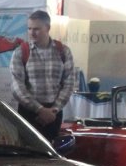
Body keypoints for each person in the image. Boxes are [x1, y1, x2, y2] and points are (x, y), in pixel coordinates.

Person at [10, 10, 76, 139]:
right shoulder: (21, 51)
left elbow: (69, 83)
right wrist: (40, 109)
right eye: (29, 28)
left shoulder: (63, 51)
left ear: (48, 28)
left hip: (54, 113)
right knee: (26, 150)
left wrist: (54, 110)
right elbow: (17, 86)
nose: (31, 33)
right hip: (29, 112)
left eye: (36, 29)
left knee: (51, 150)